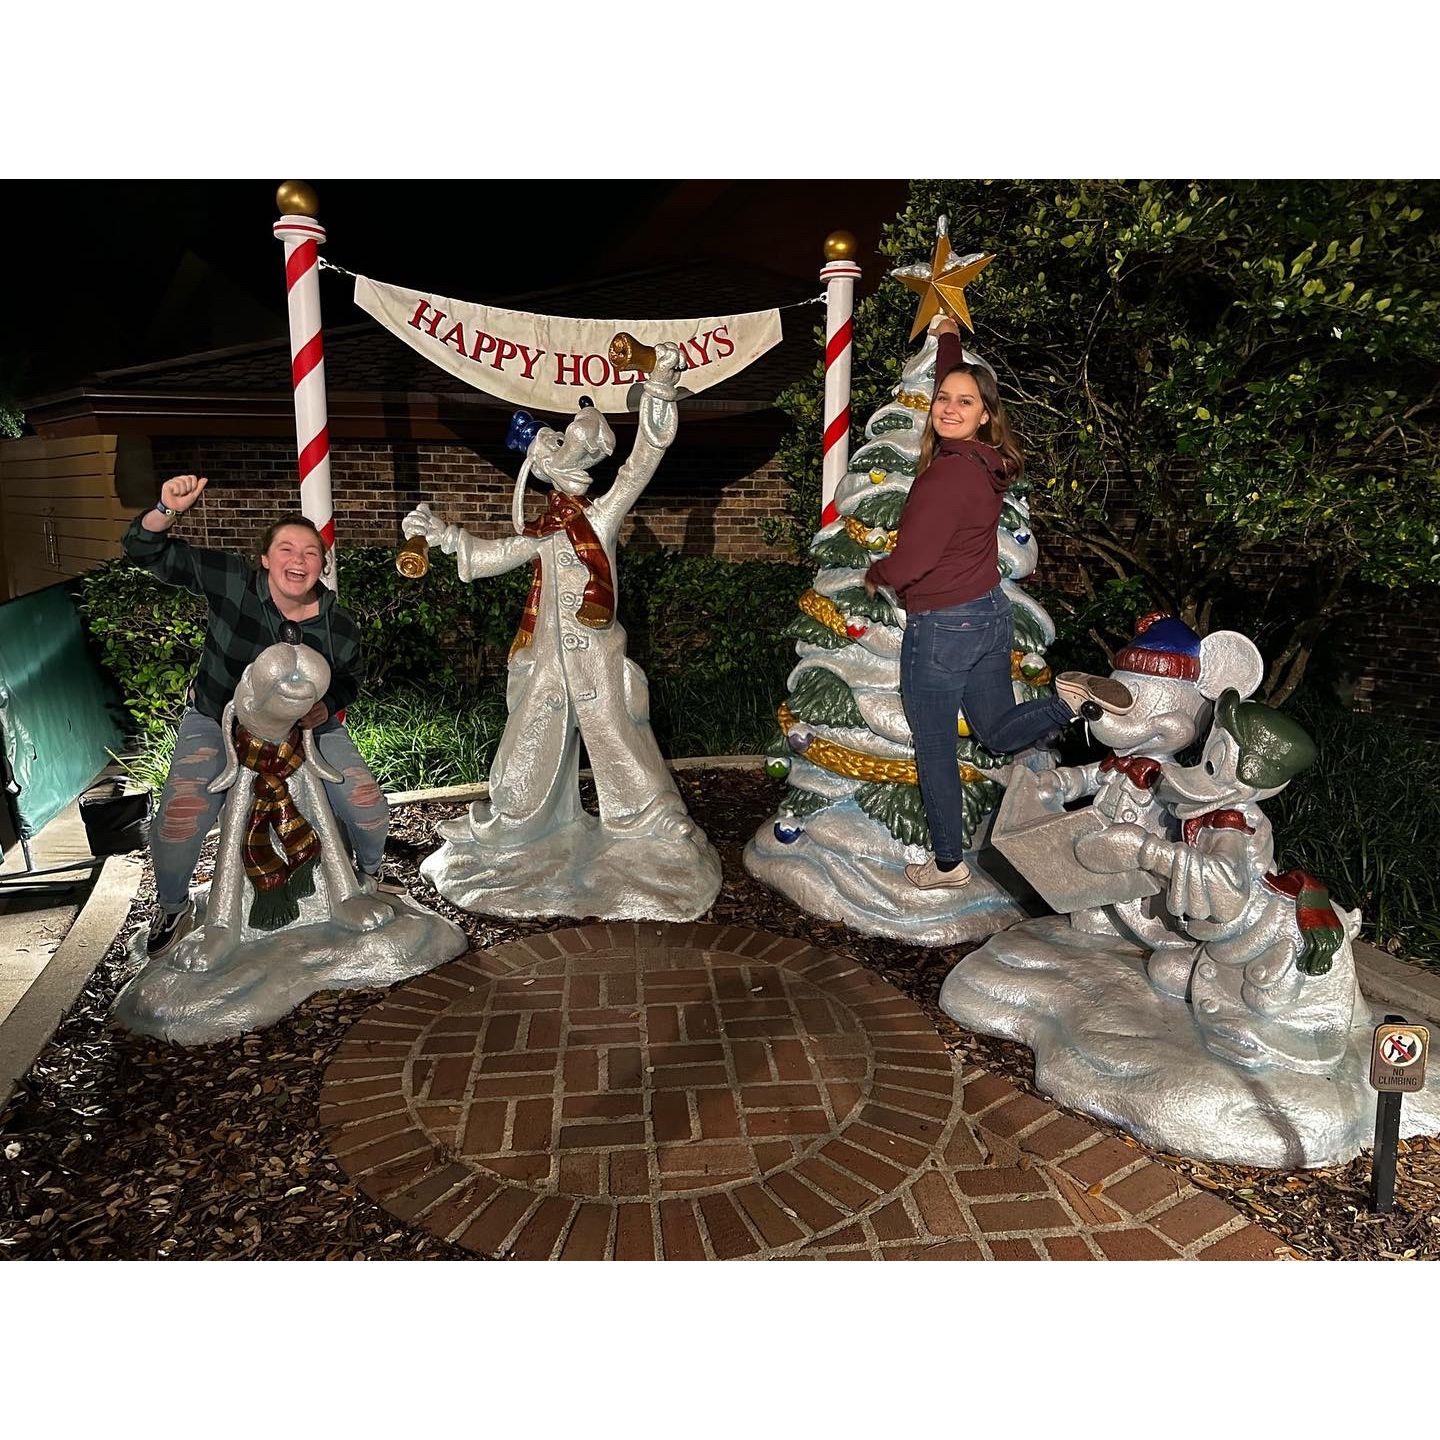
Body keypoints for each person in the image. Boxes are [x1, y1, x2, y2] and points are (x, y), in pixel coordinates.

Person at [864, 317, 1130, 890]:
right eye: (943, 398)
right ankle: (1068, 702)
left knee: (935, 748)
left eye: (965, 402)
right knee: (996, 729)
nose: (948, 408)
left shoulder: (945, 478)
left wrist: (878, 573)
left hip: (943, 627)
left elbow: (915, 560)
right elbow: (959, 390)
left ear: (985, 414)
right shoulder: (986, 462)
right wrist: (948, 340)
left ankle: (947, 865)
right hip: (988, 614)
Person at [123, 474, 390, 957]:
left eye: (310, 552)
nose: (298, 560)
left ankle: (367, 874)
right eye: (286, 549)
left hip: (306, 729)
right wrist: (166, 508)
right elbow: (146, 552)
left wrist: (326, 705)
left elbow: (351, 677)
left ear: (323, 564)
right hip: (218, 719)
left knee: (366, 805)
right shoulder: (234, 584)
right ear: (265, 558)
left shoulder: (339, 624)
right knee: (181, 816)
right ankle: (173, 906)